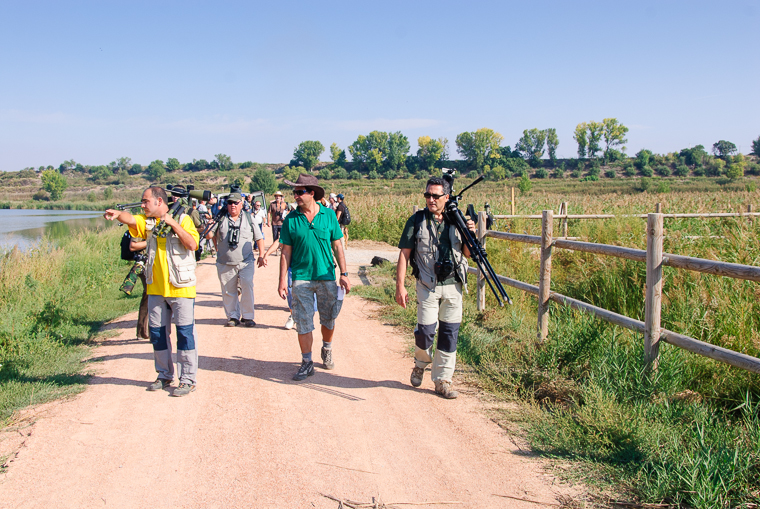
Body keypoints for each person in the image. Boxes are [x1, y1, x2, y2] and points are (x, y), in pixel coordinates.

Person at [104, 186, 200, 397]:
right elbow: (131, 220)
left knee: (184, 334)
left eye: (145, 201)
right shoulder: (148, 222)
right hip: (155, 287)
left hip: (181, 288)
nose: (143, 205)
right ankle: (164, 375)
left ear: (159, 201)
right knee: (157, 334)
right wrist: (118, 214)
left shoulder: (183, 219)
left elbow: (192, 244)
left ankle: (188, 379)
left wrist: (174, 224)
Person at [394, 177, 476, 399]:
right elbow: (404, 254)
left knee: (449, 334)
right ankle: (420, 363)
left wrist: (470, 232)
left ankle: (443, 380)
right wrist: (399, 286)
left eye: (435, 196)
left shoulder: (457, 220)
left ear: (446, 197)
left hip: (453, 286)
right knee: (426, 332)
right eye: (427, 195)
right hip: (427, 286)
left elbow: (468, 254)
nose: (431, 199)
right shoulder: (417, 220)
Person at [278, 174, 350, 381]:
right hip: (301, 278)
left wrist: (343, 274)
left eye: (300, 192)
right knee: (303, 321)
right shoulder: (291, 219)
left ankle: (326, 348)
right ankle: (307, 362)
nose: (296, 196)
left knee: (328, 318)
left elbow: (338, 245)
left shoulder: (328, 216)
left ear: (312, 193)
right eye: (295, 192)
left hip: (326, 275)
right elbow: (285, 252)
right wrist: (282, 279)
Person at [207, 192, 267, 327]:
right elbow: (209, 235)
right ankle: (233, 316)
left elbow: (259, 237)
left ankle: (248, 316)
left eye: (235, 203)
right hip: (225, 262)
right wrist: (209, 224)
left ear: (241, 204)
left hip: (245, 261)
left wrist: (262, 255)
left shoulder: (248, 218)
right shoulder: (220, 219)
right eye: (230, 203)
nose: (232, 205)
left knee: (247, 286)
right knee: (228, 290)